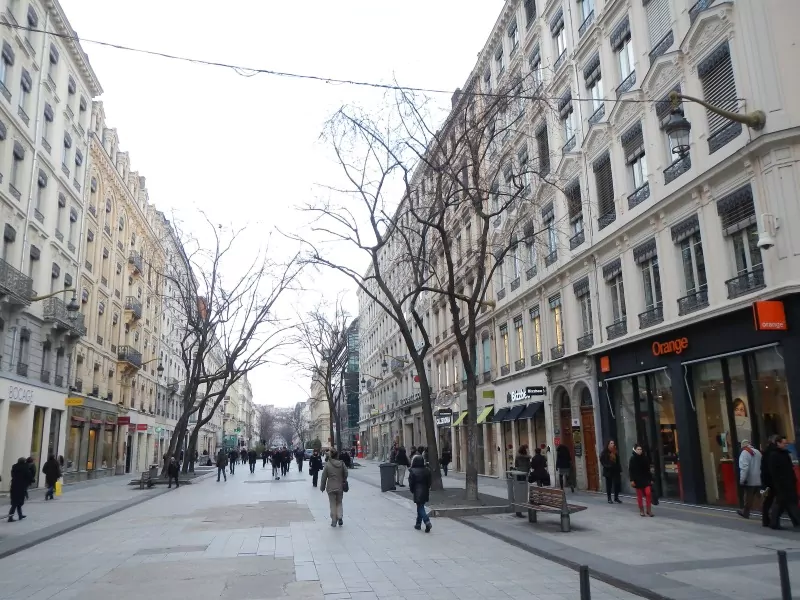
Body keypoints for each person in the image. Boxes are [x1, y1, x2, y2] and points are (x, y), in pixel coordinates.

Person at [767, 435, 800, 529]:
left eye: (786, 443)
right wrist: (778, 483)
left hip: (788, 483)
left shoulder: (785, 454)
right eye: (784, 443)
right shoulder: (774, 455)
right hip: (782, 484)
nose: (786, 445)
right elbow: (773, 472)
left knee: (782, 504)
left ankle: (774, 523)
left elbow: (790, 469)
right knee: (789, 503)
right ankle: (796, 522)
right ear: (778, 443)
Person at [319, 449, 348, 527]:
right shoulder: (342, 464)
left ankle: (334, 520)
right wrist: (343, 479)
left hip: (331, 487)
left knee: (332, 503)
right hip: (340, 486)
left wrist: (322, 487)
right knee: (339, 502)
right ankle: (340, 517)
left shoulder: (327, 465)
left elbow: (323, 477)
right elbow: (346, 473)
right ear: (337, 455)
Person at [737, 439, 762, 519]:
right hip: (759, 478)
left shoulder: (744, 453)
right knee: (760, 496)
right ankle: (766, 511)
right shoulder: (758, 452)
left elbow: (744, 468)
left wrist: (742, 480)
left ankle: (745, 512)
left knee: (748, 497)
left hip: (750, 479)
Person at [408, 454, 432, 532]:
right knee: (420, 506)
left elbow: (411, 482)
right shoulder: (427, 470)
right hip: (425, 490)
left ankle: (427, 521)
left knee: (420, 507)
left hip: (417, 490)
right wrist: (427, 487)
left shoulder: (412, 471)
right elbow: (429, 482)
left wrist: (412, 490)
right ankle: (418, 524)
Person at [629, 444, 654, 517]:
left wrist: (651, 479)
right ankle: (641, 510)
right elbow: (631, 470)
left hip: (646, 479)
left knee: (648, 493)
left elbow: (648, 470)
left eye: (641, 449)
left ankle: (649, 510)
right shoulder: (632, 459)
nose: (640, 451)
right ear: (635, 450)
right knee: (639, 496)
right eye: (638, 449)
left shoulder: (645, 458)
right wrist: (632, 480)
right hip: (637, 479)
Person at [760, 435, 779, 527]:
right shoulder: (772, 452)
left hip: (768, 479)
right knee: (772, 500)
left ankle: (767, 519)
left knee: (770, 500)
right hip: (771, 480)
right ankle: (769, 520)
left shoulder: (768, 452)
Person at [8, 458, 30, 522]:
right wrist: (32, 480)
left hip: (14, 485)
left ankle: (20, 515)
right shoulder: (25, 467)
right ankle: (10, 517)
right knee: (17, 503)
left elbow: (12, 475)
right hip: (21, 486)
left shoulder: (14, 467)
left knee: (15, 502)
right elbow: (28, 475)